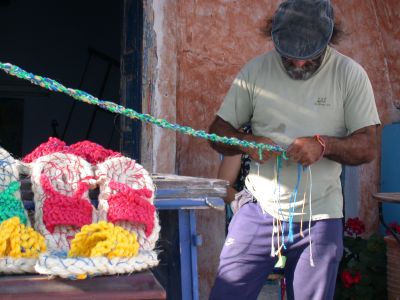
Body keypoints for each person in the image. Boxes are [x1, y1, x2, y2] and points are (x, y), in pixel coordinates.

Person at [208, 1, 381, 299]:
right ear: (274, 38)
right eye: (290, 56)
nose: (299, 63)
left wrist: (325, 145)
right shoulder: (255, 71)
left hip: (320, 216)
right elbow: (216, 132)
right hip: (258, 208)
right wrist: (246, 144)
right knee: (227, 292)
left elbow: (367, 147)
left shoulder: (350, 75)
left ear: (329, 39)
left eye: (308, 56)